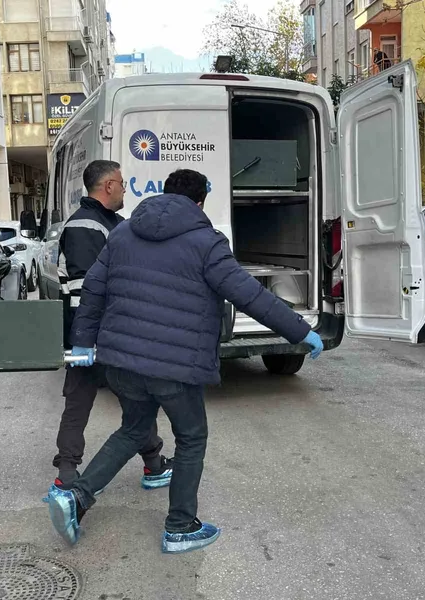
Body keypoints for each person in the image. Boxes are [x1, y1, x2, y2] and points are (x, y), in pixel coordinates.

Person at [46, 169, 324, 554]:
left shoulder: (123, 233)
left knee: (132, 430)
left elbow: (92, 289)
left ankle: (76, 498)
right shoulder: (206, 242)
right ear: (199, 202)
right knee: (191, 437)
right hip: (174, 366)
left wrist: (83, 344)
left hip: (121, 362)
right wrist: (300, 331)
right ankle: (180, 526)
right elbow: (249, 295)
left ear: (166, 193)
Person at [51, 160, 172, 491]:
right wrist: (87, 340)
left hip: (104, 333)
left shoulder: (113, 224)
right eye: (121, 183)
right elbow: (83, 288)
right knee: (88, 402)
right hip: (95, 336)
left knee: (130, 401)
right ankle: (68, 474)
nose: (124, 189)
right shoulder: (86, 226)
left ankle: (151, 463)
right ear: (108, 186)